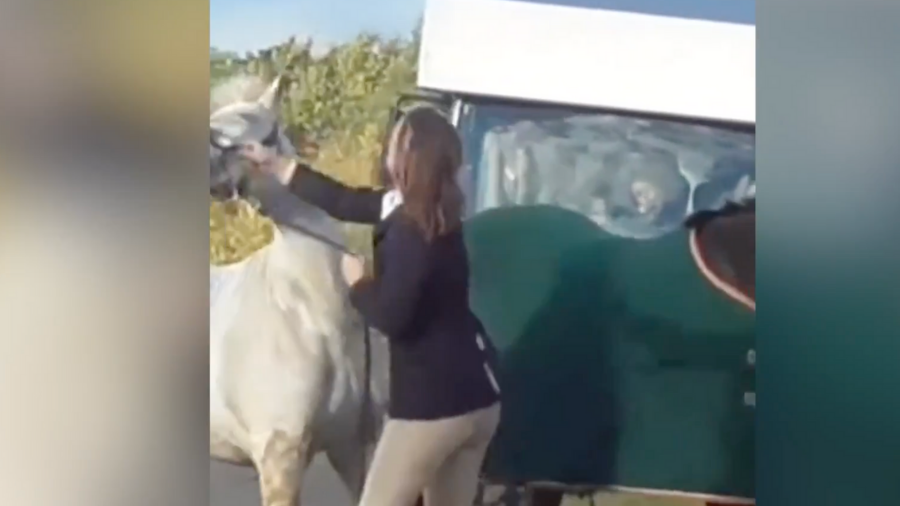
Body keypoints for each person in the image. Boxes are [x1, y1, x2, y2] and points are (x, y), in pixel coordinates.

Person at [245, 107, 502, 506]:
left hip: (433, 408)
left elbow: (393, 317)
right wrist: (276, 165)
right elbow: (344, 200)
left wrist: (358, 283)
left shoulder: (410, 231)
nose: (388, 147)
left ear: (410, 156)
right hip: (479, 401)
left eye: (396, 141)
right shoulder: (433, 210)